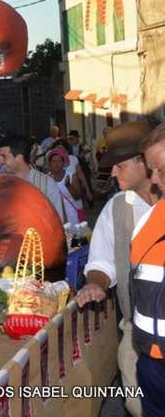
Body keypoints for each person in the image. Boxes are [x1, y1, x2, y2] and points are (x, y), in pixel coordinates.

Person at [75, 121, 156, 417]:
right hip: (136, 332)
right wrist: (95, 283)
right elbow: (102, 262)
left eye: (120, 165)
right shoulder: (117, 207)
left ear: (144, 163)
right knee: (138, 404)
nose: (112, 172)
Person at [128, 123, 165, 417]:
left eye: (161, 170)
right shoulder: (148, 221)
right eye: (151, 170)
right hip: (151, 365)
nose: (153, 179)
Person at [0, 135, 64, 222]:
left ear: (19, 158)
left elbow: (58, 220)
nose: (0, 161)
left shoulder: (47, 184)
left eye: (4, 156)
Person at [47, 147, 84, 227]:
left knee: (73, 235)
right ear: (50, 163)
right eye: (54, 161)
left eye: (59, 161)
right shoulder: (47, 178)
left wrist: (68, 185)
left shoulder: (71, 176)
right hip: (56, 219)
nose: (56, 164)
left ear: (63, 163)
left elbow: (77, 197)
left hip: (72, 218)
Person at [67, 129, 95, 203]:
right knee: (76, 184)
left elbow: (88, 154)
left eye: (71, 138)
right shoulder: (69, 147)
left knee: (87, 184)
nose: (70, 140)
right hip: (74, 169)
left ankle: (90, 201)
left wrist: (83, 156)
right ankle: (79, 200)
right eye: (69, 139)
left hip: (84, 168)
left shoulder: (83, 146)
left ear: (76, 138)